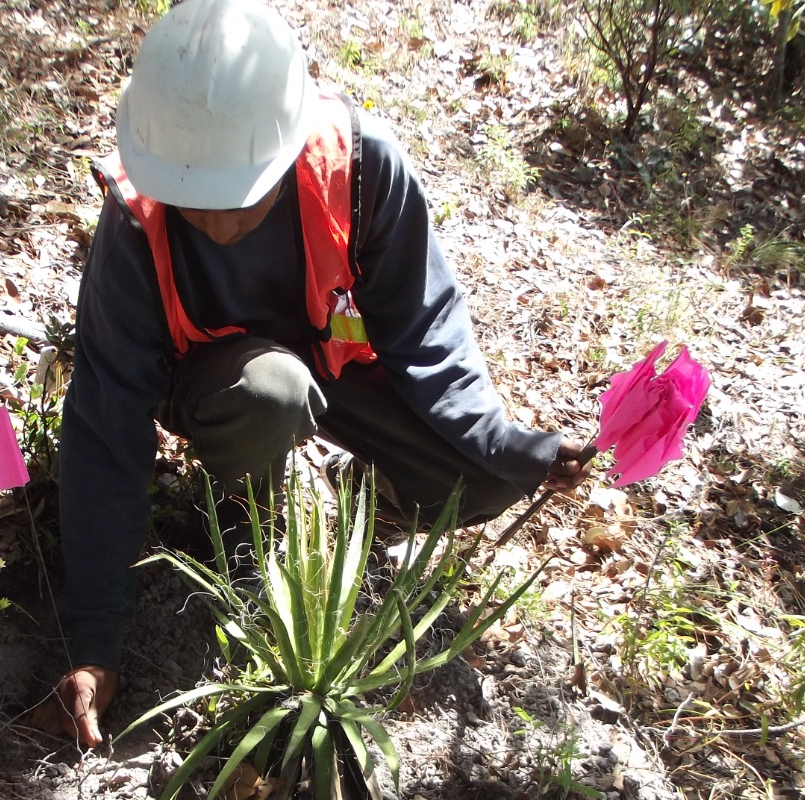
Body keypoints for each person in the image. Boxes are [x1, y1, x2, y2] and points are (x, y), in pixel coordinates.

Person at [29, 0, 590, 747]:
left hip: (336, 364)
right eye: (197, 204)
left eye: (242, 199)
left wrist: (503, 443)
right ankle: (251, 507)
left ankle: (361, 496)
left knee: (480, 484)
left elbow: (426, 332)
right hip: (224, 387)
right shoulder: (136, 224)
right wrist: (95, 639)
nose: (221, 224)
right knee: (273, 392)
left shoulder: (360, 170)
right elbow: (106, 425)